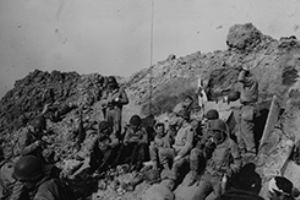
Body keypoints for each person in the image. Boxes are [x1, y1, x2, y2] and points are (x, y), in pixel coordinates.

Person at [194, 119, 241, 200]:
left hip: (220, 178)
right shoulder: (213, 143)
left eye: (216, 132)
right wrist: (207, 148)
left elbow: (238, 164)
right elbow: (205, 157)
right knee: (196, 197)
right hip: (208, 174)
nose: (213, 135)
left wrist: (229, 171)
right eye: (212, 132)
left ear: (222, 132)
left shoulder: (231, 144)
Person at [187, 109, 220, 186]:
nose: (210, 122)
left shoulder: (221, 128)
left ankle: (203, 178)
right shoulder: (207, 129)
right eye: (209, 120)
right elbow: (202, 142)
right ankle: (194, 176)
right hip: (206, 151)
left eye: (212, 120)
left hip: (215, 154)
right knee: (194, 152)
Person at [237, 65, 258, 159]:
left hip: (249, 107)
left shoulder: (252, 80)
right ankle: (244, 149)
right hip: (245, 107)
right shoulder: (248, 83)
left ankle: (251, 151)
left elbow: (240, 78)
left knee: (247, 130)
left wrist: (244, 70)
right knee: (242, 130)